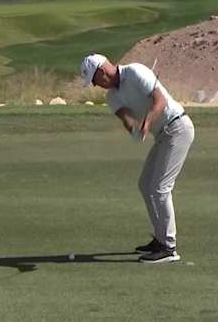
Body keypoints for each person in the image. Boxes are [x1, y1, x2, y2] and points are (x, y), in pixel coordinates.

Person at [80, 54, 195, 264]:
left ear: (102, 71)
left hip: (178, 127)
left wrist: (147, 121)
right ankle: (159, 239)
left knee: (160, 187)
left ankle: (169, 247)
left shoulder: (135, 71)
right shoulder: (111, 97)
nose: (97, 86)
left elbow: (159, 101)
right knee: (145, 185)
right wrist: (134, 127)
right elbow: (126, 117)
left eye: (95, 80)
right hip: (162, 135)